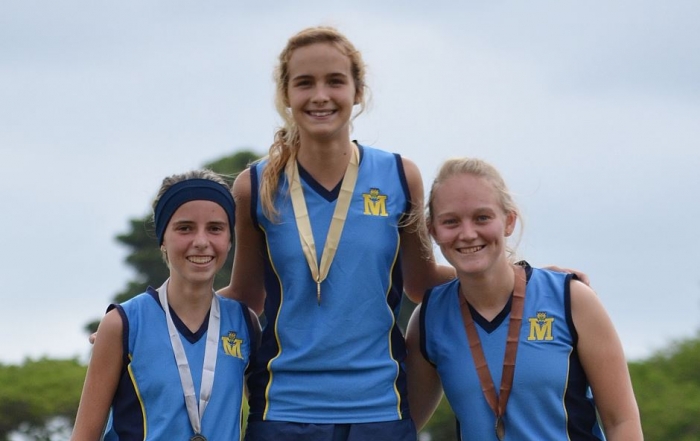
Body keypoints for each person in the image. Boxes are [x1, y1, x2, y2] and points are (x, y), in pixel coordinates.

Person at [217, 26, 457, 441]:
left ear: (358, 91)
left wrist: (526, 277)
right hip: (284, 412)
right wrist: (144, 318)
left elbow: (423, 283)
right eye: (304, 83)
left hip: (379, 409)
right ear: (285, 94)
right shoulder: (254, 187)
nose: (320, 95)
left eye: (335, 81)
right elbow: (245, 296)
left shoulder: (400, 177)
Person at [405, 158, 643, 440]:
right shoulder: (429, 319)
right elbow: (401, 425)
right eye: (451, 222)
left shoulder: (572, 299)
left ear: (509, 221)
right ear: (433, 231)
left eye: (482, 217)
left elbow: (622, 422)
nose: (467, 234)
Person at [72, 170, 260, 441]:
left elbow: (266, 416)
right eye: (185, 228)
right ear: (162, 239)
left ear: (230, 240)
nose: (201, 242)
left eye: (215, 228)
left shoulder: (244, 323)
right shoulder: (123, 324)